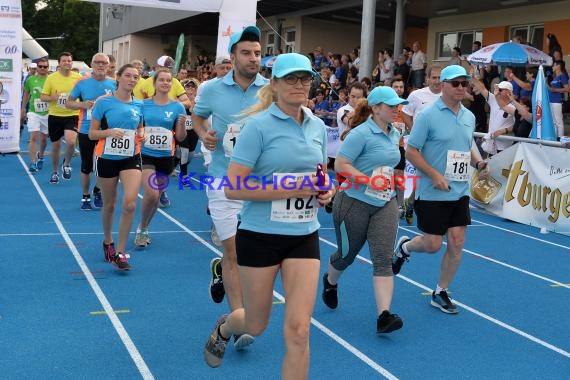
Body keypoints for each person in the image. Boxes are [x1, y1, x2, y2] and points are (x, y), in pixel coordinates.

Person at [203, 53, 334, 380]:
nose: (300, 84)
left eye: (305, 78)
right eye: (291, 78)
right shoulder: (257, 127)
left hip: (304, 235)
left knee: (300, 330)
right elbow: (233, 187)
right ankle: (225, 327)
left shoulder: (317, 126)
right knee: (255, 324)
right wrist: (290, 187)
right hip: (260, 236)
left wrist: (324, 190)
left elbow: (320, 174)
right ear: (274, 84)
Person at [192, 26, 268, 346]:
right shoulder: (211, 89)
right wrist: (204, 134)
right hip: (222, 179)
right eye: (247, 53)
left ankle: (221, 271)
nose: (254, 59)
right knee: (234, 250)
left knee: (255, 254)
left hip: (259, 182)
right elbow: (198, 117)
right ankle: (241, 318)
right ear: (233, 56)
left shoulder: (270, 89)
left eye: (258, 53)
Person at [392, 65, 489, 314]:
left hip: (459, 189)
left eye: (464, 83)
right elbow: (411, 151)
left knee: (457, 242)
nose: (460, 87)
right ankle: (405, 247)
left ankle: (440, 291)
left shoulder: (468, 116)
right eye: (455, 83)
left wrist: (478, 162)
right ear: (443, 85)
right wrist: (434, 175)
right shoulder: (427, 115)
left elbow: (468, 146)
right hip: (432, 190)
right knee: (434, 244)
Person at [321, 86, 407, 334]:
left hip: (385, 203)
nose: (396, 110)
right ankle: (330, 281)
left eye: (397, 105)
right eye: (391, 106)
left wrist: (394, 190)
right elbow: (340, 165)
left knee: (383, 259)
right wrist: (368, 180)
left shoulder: (393, 133)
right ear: (376, 108)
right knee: (346, 256)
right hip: (353, 202)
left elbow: (394, 165)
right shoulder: (360, 133)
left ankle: (384, 316)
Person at [88, 64, 144, 271]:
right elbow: (92, 134)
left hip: (131, 156)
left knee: (130, 204)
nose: (131, 79)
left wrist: (142, 133)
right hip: (107, 157)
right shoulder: (104, 103)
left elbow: (140, 125)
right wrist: (109, 132)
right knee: (110, 205)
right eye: (128, 76)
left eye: (135, 77)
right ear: (118, 78)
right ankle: (108, 241)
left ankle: (120, 252)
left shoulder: (140, 104)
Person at [134, 68, 186, 247]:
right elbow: (138, 128)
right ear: (154, 83)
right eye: (161, 80)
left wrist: (181, 125)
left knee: (156, 198)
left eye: (168, 80)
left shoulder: (178, 106)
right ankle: (141, 227)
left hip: (166, 156)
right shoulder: (143, 104)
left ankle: (144, 227)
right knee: (151, 193)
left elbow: (180, 137)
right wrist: (140, 133)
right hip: (146, 154)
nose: (165, 83)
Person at [66, 53, 116, 210]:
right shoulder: (82, 83)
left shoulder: (115, 83)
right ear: (91, 64)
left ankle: (98, 190)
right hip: (87, 130)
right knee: (86, 165)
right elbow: (68, 103)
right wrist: (83, 105)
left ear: (108, 66)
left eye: (104, 63)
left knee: (103, 164)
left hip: (106, 130)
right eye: (98, 62)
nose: (101, 65)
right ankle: (85, 195)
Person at [401, 64, 442, 224]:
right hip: (417, 146)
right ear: (427, 78)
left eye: (440, 78)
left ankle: (418, 204)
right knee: (415, 177)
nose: (437, 81)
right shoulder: (416, 95)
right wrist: (416, 133)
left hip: (438, 147)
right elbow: (405, 114)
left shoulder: (448, 96)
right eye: (434, 77)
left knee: (434, 177)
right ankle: (410, 202)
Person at [40, 51, 83, 184]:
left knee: (71, 142)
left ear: (72, 63)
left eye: (69, 61)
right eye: (64, 61)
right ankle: (55, 172)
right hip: (55, 115)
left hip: (72, 115)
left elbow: (83, 95)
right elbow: (43, 97)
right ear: (59, 63)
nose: (67, 63)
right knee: (56, 145)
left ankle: (66, 164)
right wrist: (54, 97)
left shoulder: (78, 78)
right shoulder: (51, 78)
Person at [21, 57, 49, 173]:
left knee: (44, 139)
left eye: (45, 66)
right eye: (40, 66)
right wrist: (23, 108)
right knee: (33, 137)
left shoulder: (51, 80)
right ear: (37, 67)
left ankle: (41, 156)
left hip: (48, 113)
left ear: (48, 68)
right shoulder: (30, 80)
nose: (42, 68)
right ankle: (33, 162)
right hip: (33, 111)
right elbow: (26, 94)